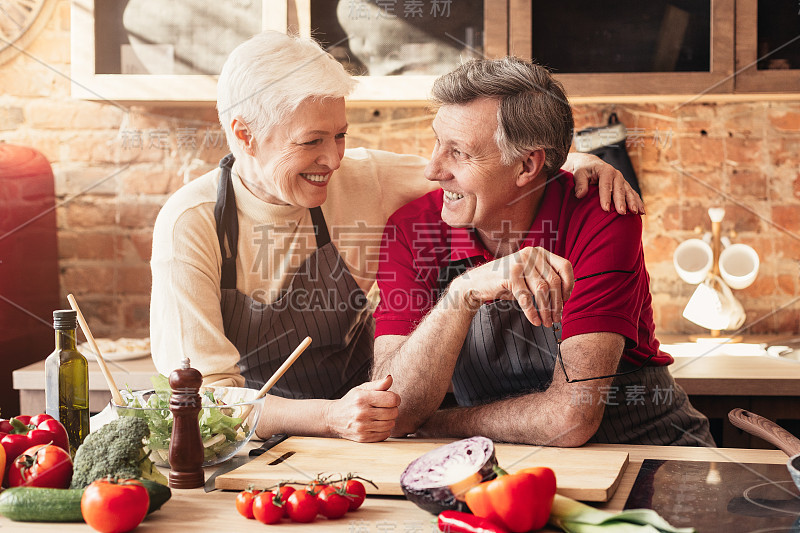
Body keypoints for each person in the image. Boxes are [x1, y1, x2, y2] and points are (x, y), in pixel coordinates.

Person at [149, 32, 644, 443]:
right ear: (244, 134)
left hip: (365, 436)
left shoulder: (363, 179)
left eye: (340, 135)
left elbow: (478, 174)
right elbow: (199, 400)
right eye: (311, 142)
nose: (335, 158)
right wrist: (330, 417)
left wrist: (572, 159)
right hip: (253, 441)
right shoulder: (189, 225)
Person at [372, 57, 712, 447]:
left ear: (527, 165)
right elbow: (391, 411)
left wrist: (435, 425)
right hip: (493, 466)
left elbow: (571, 418)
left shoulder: (601, 214)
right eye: (437, 141)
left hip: (645, 451)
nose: (433, 170)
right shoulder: (412, 227)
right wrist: (462, 293)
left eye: (459, 153)